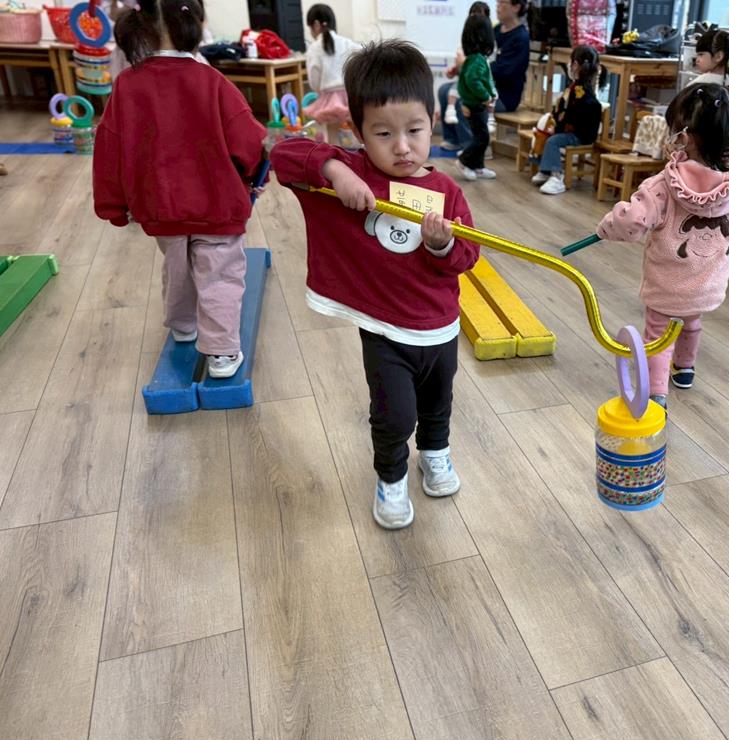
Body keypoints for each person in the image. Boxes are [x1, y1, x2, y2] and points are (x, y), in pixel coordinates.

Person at [271, 40, 480, 530]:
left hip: (440, 328)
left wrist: (442, 246)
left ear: (433, 120)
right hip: (385, 330)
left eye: (414, 130)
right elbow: (283, 153)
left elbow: (468, 257)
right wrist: (335, 170)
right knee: (393, 415)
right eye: (383, 133)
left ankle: (435, 454)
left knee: (438, 405)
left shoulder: (447, 191)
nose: (401, 147)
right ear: (357, 130)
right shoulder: (355, 171)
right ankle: (391, 476)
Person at [596, 83, 729, 405]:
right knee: (691, 321)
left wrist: (607, 227)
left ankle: (656, 395)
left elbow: (631, 222)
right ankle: (685, 368)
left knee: (657, 336)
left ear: (684, 136)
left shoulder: (662, 186)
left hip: (665, 288)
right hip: (707, 288)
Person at [93, 0, 266, 379]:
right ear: (193, 25)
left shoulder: (127, 85)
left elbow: (109, 148)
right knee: (219, 274)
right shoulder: (211, 81)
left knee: (177, 267)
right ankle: (221, 352)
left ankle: (183, 325)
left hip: (160, 205)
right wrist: (257, 176)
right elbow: (248, 140)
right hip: (217, 204)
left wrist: (113, 205)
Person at [439, 0, 529, 152]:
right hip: (483, 83)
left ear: (516, 7)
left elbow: (504, 72)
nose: (498, 5)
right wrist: (459, 69)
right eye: (497, 2)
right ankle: (453, 139)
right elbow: (478, 56)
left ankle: (474, 150)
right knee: (444, 90)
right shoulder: (496, 30)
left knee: (463, 98)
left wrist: (467, 65)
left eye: (502, 2)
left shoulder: (521, 37)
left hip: (503, 95)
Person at [530, 44, 604, 195]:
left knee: (553, 141)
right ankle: (545, 170)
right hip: (573, 131)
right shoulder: (577, 87)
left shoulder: (581, 91)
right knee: (543, 133)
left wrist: (558, 127)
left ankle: (556, 176)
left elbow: (572, 116)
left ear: (575, 65)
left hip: (580, 135)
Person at [302, 4, 360, 144]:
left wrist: (319, 92)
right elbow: (364, 55)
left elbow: (314, 79)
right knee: (357, 130)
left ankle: (334, 155)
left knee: (332, 134)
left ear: (316, 25)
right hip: (350, 95)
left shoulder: (314, 48)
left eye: (310, 28)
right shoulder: (346, 43)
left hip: (330, 98)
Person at [453, 15, 498, 180]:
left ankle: (478, 167)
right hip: (475, 105)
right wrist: (486, 96)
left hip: (475, 104)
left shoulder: (473, 59)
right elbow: (473, 81)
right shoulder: (478, 60)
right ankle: (464, 161)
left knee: (481, 136)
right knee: (482, 138)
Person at [443, 2, 493, 129]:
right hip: (468, 77)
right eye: (472, 14)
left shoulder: (489, 41)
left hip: (480, 80)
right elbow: (462, 65)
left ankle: (468, 138)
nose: (475, 18)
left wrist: (464, 65)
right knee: (443, 90)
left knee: (464, 96)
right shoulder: (465, 41)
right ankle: (451, 137)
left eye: (479, 15)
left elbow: (484, 69)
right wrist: (455, 70)